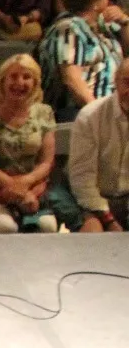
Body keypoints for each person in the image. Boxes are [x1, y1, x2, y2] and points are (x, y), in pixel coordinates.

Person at [0, 54, 62, 233]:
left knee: (47, 226)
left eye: (26, 77)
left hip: (32, 189)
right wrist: (13, 188)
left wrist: (25, 188)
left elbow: (46, 162)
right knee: (6, 228)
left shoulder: (44, 112)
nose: (20, 82)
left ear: (35, 83)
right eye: (13, 76)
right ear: (2, 81)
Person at [38, 0, 129, 120]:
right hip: (78, 111)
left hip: (115, 109)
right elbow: (72, 80)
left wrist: (125, 22)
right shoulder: (67, 29)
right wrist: (100, 114)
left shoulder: (105, 27)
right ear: (95, 1)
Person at [69, 64, 129, 232]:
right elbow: (83, 179)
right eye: (127, 82)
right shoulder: (90, 116)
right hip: (88, 199)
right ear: (116, 82)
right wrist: (109, 220)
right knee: (94, 233)